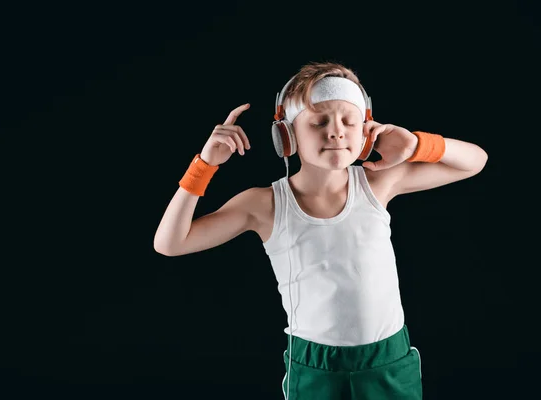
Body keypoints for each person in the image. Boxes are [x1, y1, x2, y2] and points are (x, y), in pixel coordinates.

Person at [153, 61, 488, 400]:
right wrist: (205, 165)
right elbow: (170, 243)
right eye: (319, 121)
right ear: (287, 135)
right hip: (316, 368)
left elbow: (475, 161)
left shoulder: (380, 183)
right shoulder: (264, 204)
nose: (336, 131)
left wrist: (417, 145)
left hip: (388, 361)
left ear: (366, 132)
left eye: (348, 121)